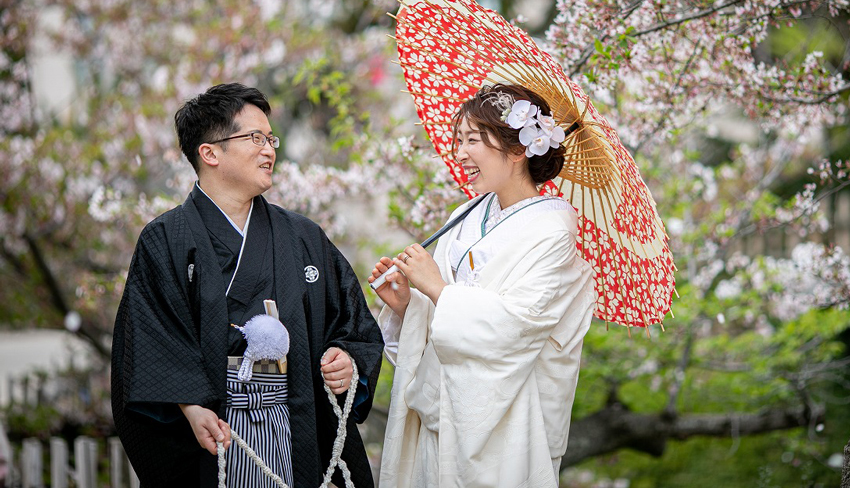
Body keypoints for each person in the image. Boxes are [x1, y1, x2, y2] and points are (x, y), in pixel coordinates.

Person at [111, 83, 383, 488]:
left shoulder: (304, 237)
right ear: (210, 152)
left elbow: (352, 325)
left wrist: (346, 359)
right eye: (255, 138)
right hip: (214, 427)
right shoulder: (166, 239)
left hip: (297, 421)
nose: (270, 149)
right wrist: (189, 406)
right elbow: (151, 340)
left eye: (270, 138)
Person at [370, 83, 595, 488]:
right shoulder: (467, 214)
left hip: (503, 431)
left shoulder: (554, 229)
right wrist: (408, 306)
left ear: (518, 148)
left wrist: (437, 288)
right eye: (459, 139)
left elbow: (516, 329)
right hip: (440, 417)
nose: (459, 153)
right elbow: (436, 327)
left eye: (472, 139)